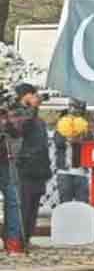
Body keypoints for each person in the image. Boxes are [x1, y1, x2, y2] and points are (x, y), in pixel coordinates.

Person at [6, 83, 51, 247]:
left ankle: (28, 237)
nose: (37, 98)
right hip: (24, 166)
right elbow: (20, 128)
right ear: (25, 96)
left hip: (38, 167)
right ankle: (18, 239)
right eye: (34, 94)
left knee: (33, 205)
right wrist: (31, 108)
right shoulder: (15, 112)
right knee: (23, 204)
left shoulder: (37, 118)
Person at [54, 99, 94, 203]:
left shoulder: (85, 126)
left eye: (77, 107)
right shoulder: (62, 124)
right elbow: (58, 142)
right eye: (71, 107)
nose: (73, 110)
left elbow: (93, 144)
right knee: (65, 203)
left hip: (81, 172)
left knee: (82, 204)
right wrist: (68, 138)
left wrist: (82, 139)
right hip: (64, 171)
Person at [0, 106, 24, 256]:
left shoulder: (5, 119)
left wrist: (6, 121)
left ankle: (13, 240)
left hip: (3, 163)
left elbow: (16, 134)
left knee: (12, 201)